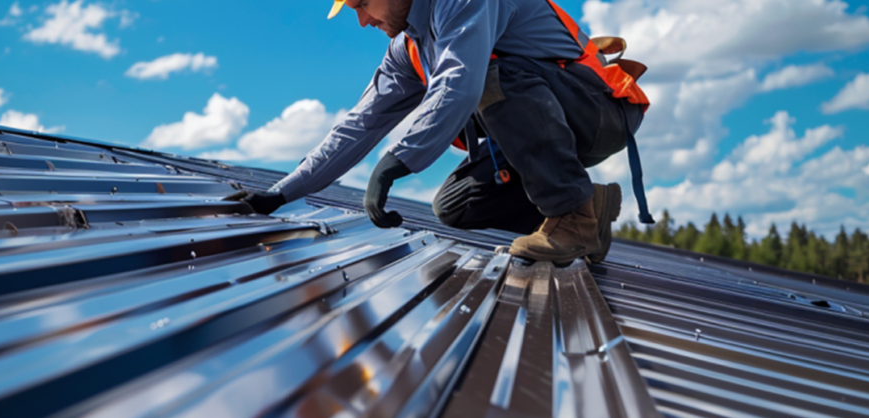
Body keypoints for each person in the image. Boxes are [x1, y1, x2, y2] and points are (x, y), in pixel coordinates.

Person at [225, 0, 652, 264]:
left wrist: (396, 162)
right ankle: (586, 204)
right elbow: (359, 124)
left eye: (361, 4)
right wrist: (280, 194)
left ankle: (571, 216)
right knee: (455, 206)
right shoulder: (408, 47)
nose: (361, 21)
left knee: (487, 75)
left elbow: (461, 83)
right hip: (547, 125)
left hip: (596, 111)